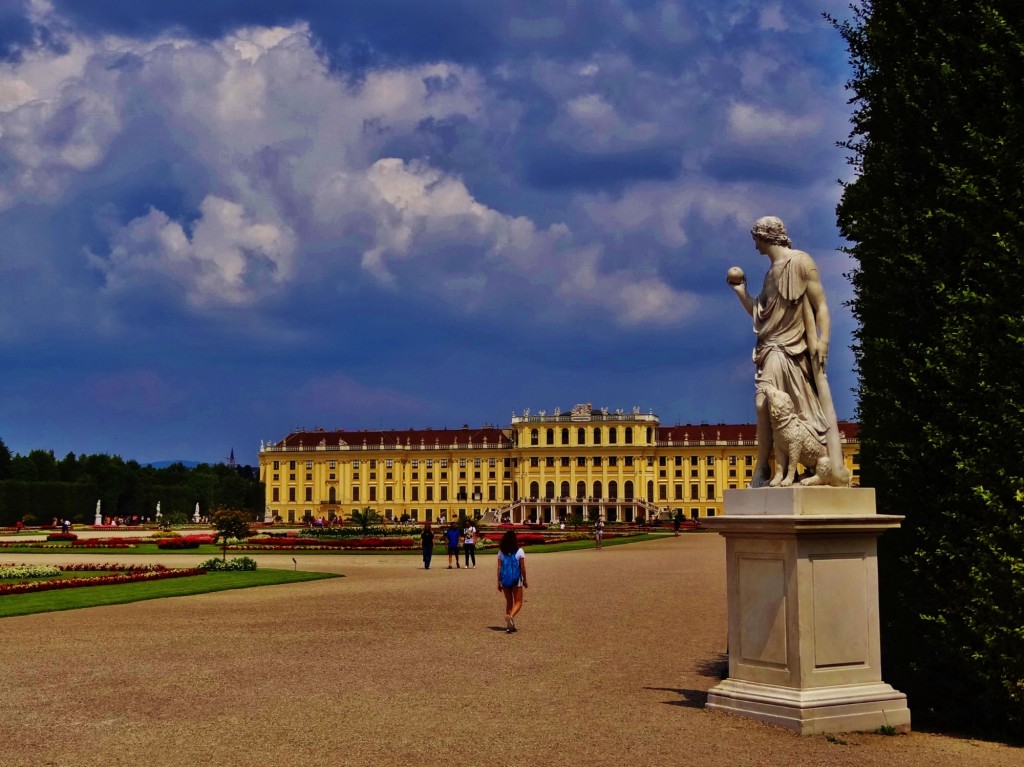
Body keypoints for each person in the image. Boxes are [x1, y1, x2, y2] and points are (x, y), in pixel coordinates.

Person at [727, 216, 850, 487]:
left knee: (793, 411)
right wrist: (740, 291)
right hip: (770, 347)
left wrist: (823, 341)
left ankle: (790, 468)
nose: (755, 247)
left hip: (793, 350)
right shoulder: (770, 273)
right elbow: (759, 314)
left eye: (755, 240)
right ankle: (763, 469)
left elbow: (821, 307)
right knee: (764, 405)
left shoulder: (801, 262)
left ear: (764, 237)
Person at [496, 529, 527, 633]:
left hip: (505, 579)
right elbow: (522, 567)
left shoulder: (501, 552)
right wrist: (525, 579)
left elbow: (499, 568)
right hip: (516, 579)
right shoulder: (519, 551)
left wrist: (499, 581)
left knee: (509, 602)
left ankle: (510, 626)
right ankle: (511, 616)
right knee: (518, 602)